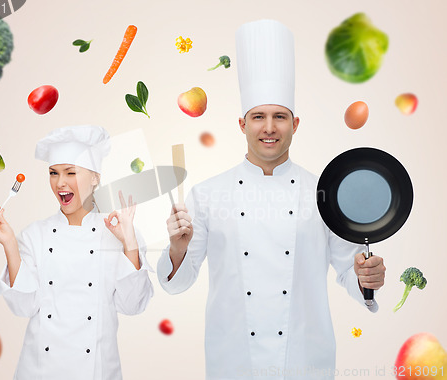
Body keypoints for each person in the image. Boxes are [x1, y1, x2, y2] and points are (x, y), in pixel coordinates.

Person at [157, 20, 386, 380]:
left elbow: (348, 268)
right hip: (233, 361)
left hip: (305, 359)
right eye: (258, 117)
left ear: (295, 124)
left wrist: (365, 277)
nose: (269, 127)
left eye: (279, 117)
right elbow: (178, 283)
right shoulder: (207, 195)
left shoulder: (323, 192)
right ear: (241, 124)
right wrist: (177, 249)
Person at [0, 125, 153, 380]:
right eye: (53, 173)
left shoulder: (122, 231)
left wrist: (129, 243)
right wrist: (10, 245)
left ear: (95, 177)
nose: (60, 183)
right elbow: (23, 306)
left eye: (71, 172)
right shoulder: (34, 235)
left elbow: (132, 305)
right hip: (39, 371)